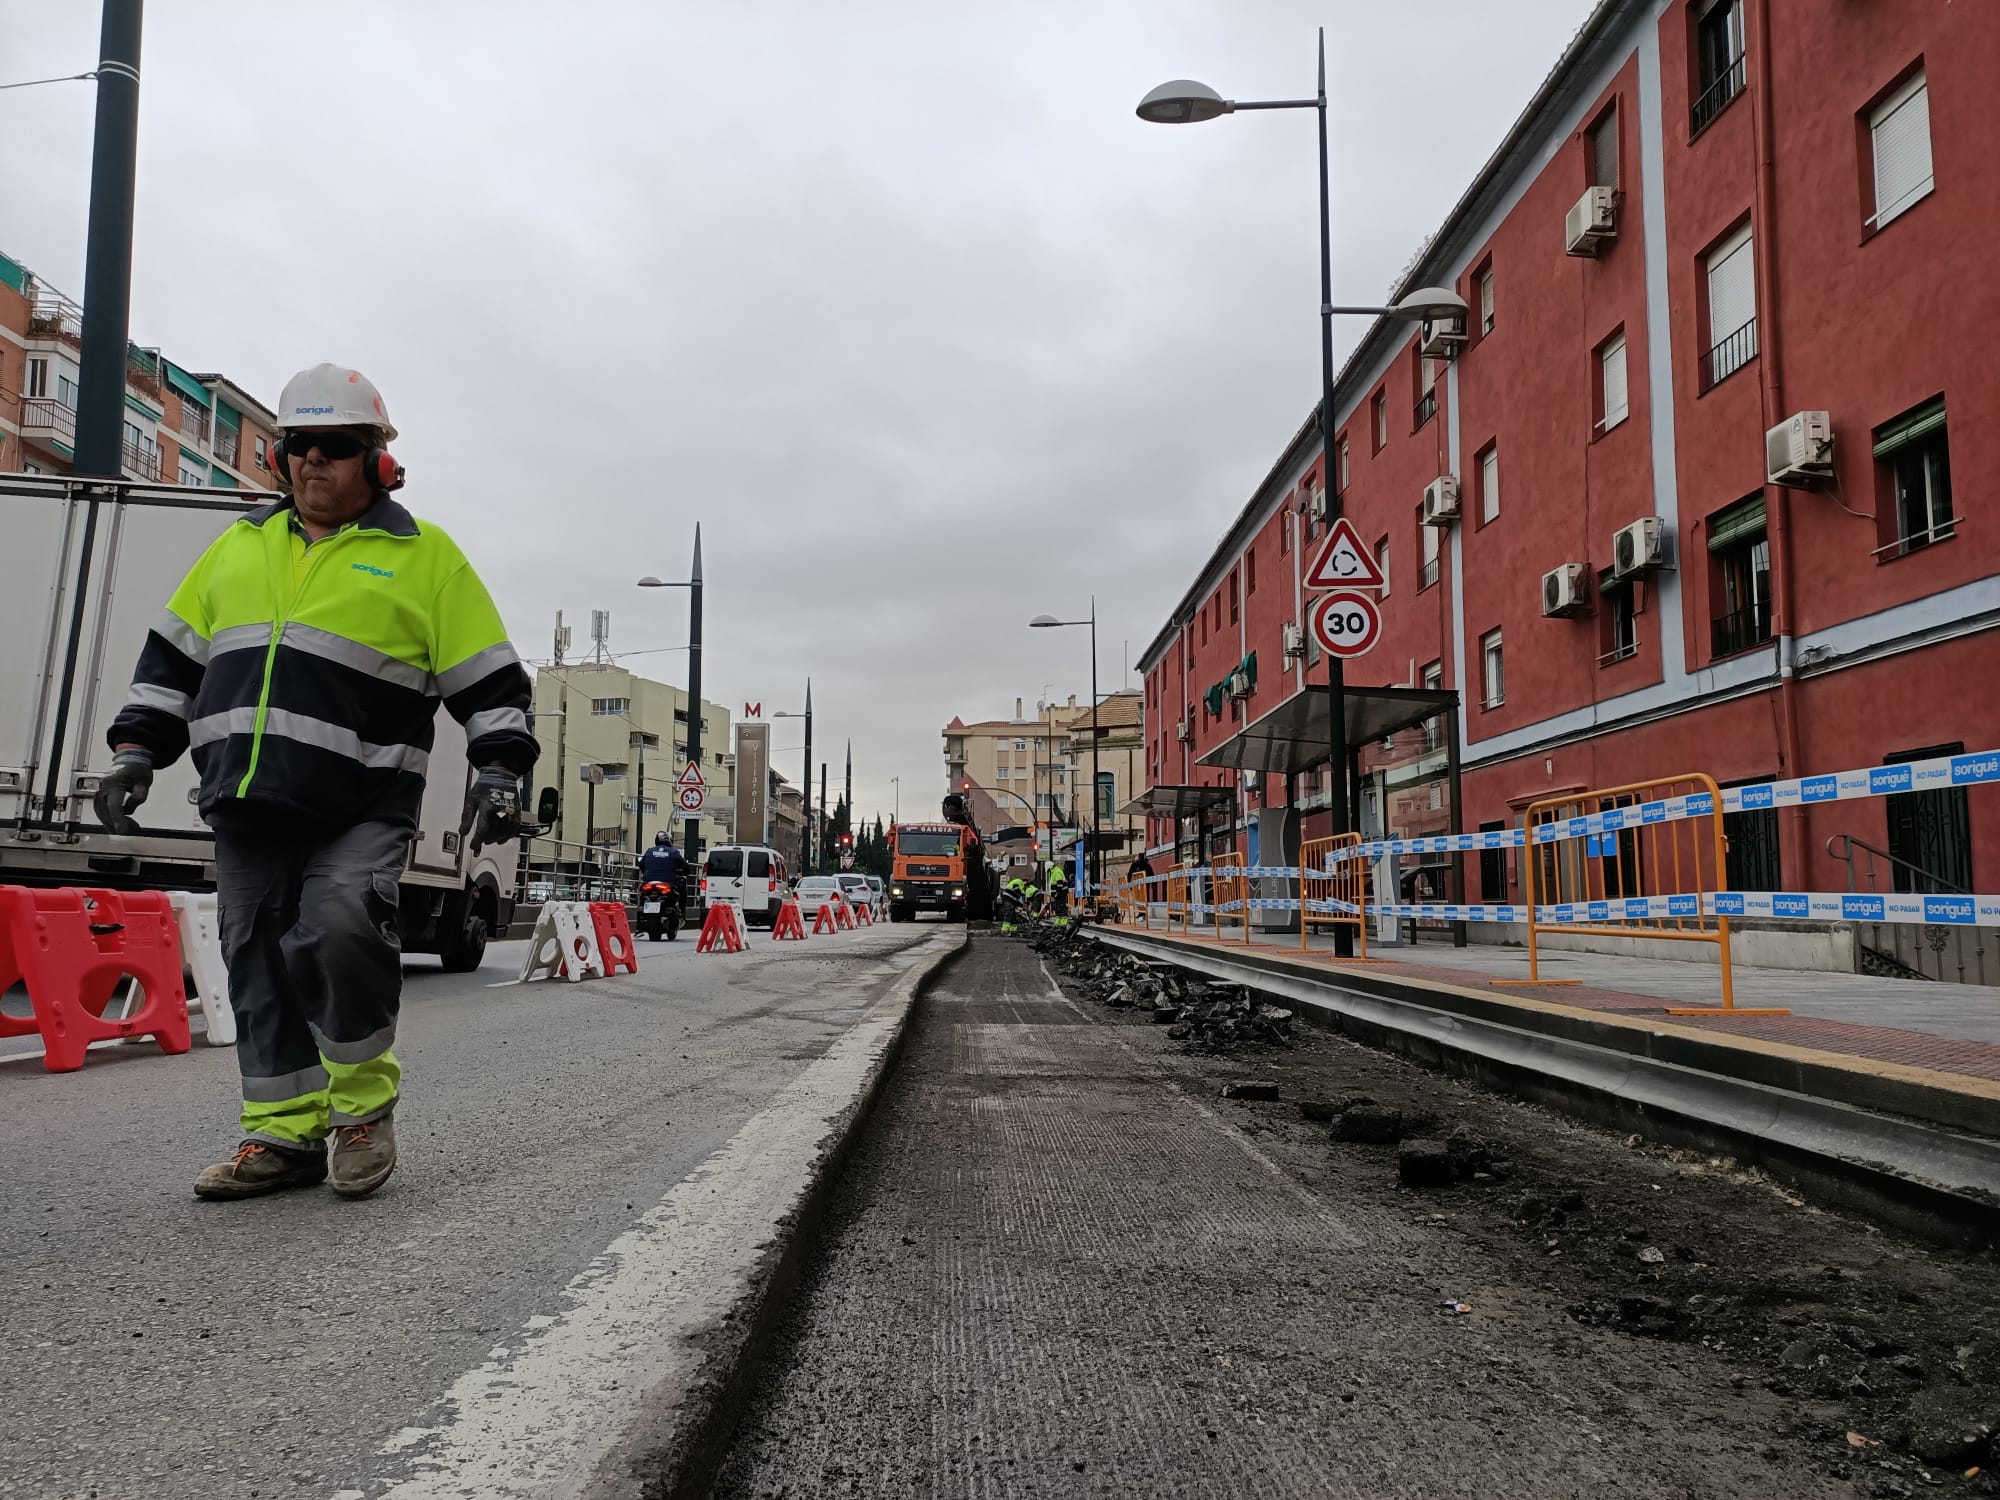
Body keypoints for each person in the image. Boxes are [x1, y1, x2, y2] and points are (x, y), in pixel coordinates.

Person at [94, 363, 537, 1202]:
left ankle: (362, 1112)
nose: (313, 463)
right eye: (299, 446)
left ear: (377, 460)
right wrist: (134, 751)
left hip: (361, 803)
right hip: (246, 802)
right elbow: (171, 665)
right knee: (254, 957)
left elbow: (490, 681)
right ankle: (284, 1133)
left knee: (338, 928)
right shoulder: (238, 547)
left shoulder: (424, 558)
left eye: (336, 448)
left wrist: (501, 770)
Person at [639, 830, 688, 898]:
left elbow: (641, 865)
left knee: (642, 890)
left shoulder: (649, 851)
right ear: (670, 841)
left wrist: (647, 873)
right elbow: (685, 867)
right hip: (669, 881)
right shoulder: (674, 852)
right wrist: (683, 872)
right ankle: (682, 907)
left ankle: (641, 904)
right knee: (682, 883)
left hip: (649, 881)